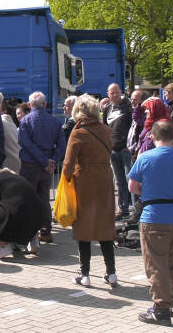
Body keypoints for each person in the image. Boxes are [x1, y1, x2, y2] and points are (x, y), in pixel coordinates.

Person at [128, 120, 173, 326]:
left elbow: (132, 186)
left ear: (152, 136)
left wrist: (148, 193)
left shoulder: (145, 157)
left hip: (154, 216)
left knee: (156, 264)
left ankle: (161, 309)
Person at [62, 95, 117, 287]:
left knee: (83, 228)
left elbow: (68, 164)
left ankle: (84, 274)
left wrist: (66, 180)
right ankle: (111, 272)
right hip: (104, 178)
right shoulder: (107, 130)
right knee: (105, 226)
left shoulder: (78, 133)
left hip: (84, 180)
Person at [18, 91, 66, 245]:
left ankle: (29, 232)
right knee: (44, 199)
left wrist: (44, 161)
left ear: (29, 105)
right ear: (44, 104)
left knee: (28, 199)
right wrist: (52, 161)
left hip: (29, 166)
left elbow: (26, 144)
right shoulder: (55, 122)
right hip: (47, 168)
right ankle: (45, 231)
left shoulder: (25, 121)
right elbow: (62, 145)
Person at [0, 169, 46, 260]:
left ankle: (3, 247)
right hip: (39, 218)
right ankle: (33, 241)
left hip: (17, 218)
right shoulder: (19, 179)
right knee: (25, 213)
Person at [104, 84, 133, 219]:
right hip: (113, 150)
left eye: (117, 92)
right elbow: (105, 128)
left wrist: (130, 145)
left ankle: (135, 210)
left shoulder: (128, 107)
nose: (115, 95)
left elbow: (134, 126)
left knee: (130, 180)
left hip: (126, 150)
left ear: (121, 92)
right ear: (108, 94)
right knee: (120, 182)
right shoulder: (107, 109)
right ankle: (123, 208)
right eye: (112, 93)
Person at [0, 99, 21, 173]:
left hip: (7, 165)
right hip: (17, 162)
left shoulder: (1, 122)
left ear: (4, 111)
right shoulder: (13, 124)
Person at [127, 90, 147, 158]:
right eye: (131, 99)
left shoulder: (145, 114)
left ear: (142, 101)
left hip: (139, 152)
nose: (132, 102)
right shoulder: (131, 111)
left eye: (135, 100)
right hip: (130, 150)